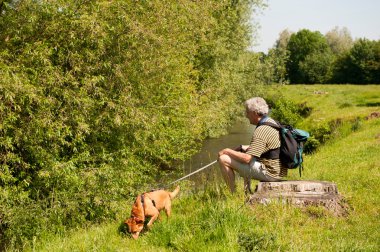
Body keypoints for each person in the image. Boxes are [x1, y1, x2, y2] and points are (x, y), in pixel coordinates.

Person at [218, 97, 287, 194]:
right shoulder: (270, 122)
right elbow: (267, 147)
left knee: (224, 159)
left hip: (271, 173)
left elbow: (247, 159)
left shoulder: (261, 130)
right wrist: (243, 147)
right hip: (279, 170)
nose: (246, 115)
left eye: (247, 112)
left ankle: (232, 194)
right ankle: (247, 191)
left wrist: (227, 151)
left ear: (254, 113)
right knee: (245, 152)